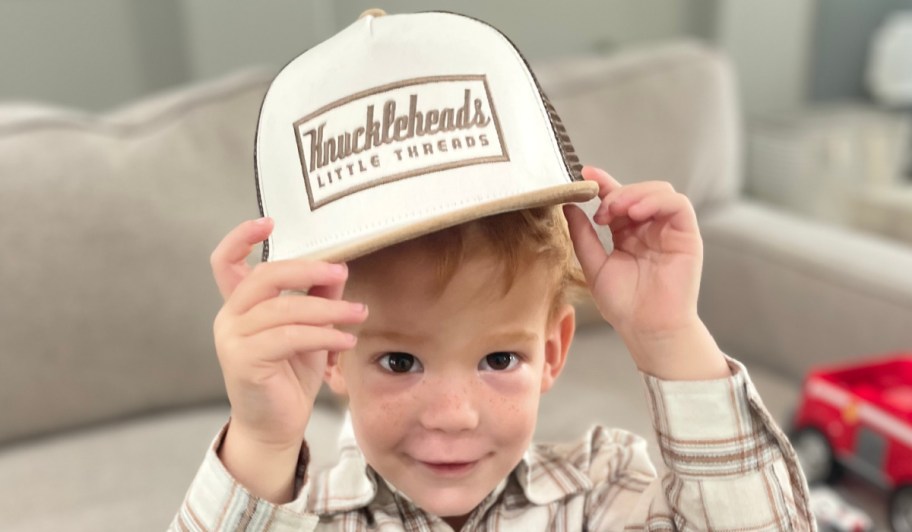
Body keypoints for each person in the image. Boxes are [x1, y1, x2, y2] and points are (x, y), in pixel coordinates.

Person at [172, 10, 814, 532]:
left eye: (500, 359)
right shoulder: (298, 515)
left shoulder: (602, 490)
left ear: (554, 350)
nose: (453, 416)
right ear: (332, 357)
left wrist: (669, 337)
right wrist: (260, 439)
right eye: (399, 361)